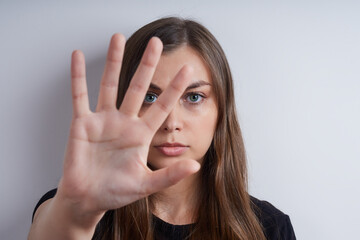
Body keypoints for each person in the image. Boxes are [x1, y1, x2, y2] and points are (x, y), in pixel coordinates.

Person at [28, 17, 296, 240]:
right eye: (150, 97)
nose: (171, 123)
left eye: (194, 97)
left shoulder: (270, 228)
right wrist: (75, 216)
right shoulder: (79, 206)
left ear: (221, 112)